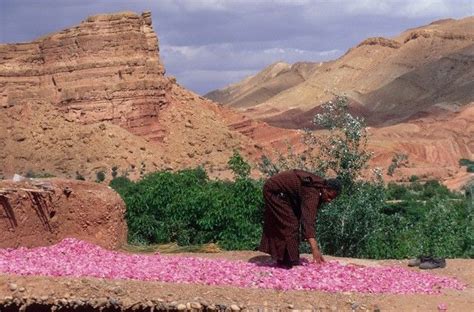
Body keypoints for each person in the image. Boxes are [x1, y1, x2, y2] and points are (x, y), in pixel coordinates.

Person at [258, 169, 341, 268]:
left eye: (332, 199)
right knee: (291, 224)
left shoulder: (319, 187)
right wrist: (314, 249)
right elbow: (308, 220)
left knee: (291, 221)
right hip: (273, 191)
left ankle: (285, 259)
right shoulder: (312, 193)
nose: (329, 200)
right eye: (329, 196)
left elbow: (306, 215)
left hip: (285, 195)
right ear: (325, 189)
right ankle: (288, 261)